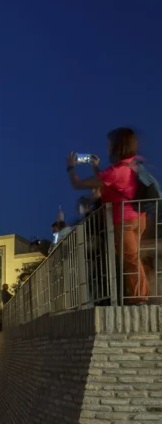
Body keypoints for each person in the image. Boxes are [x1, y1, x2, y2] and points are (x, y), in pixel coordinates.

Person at [67, 127, 148, 304]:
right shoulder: (131, 164)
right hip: (138, 217)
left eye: (109, 143)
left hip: (124, 221)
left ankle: (139, 299)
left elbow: (77, 184)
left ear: (118, 145)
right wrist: (95, 167)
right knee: (131, 258)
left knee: (131, 260)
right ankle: (134, 297)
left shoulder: (117, 170)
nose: (107, 146)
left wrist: (70, 167)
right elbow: (109, 181)